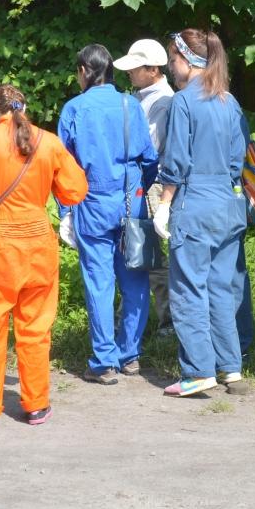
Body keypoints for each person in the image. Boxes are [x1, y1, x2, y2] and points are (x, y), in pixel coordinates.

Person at [0, 84, 88, 430]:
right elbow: (76, 191)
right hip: (38, 242)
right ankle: (36, 405)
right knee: (35, 329)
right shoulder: (49, 141)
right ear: (25, 107)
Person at [153, 29, 250, 397]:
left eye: (172, 60)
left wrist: (165, 204)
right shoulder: (229, 101)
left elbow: (176, 160)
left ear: (186, 60)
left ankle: (197, 371)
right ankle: (230, 367)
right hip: (228, 202)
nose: (171, 68)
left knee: (187, 288)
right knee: (222, 287)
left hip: (194, 202)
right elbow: (238, 158)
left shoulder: (183, 102)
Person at [58, 43, 158, 384]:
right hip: (131, 201)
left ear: (84, 71)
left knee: (99, 282)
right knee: (136, 279)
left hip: (91, 202)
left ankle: (104, 361)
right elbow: (149, 159)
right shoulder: (131, 105)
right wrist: (138, 190)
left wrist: (65, 211)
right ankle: (130, 354)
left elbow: (63, 166)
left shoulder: (74, 108)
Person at [113, 38, 175, 334]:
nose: (129, 72)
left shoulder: (163, 101)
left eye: (135, 68)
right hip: (141, 182)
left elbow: (149, 146)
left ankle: (168, 322)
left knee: (150, 255)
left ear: (153, 69)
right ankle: (130, 318)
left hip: (153, 184)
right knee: (137, 250)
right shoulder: (142, 97)